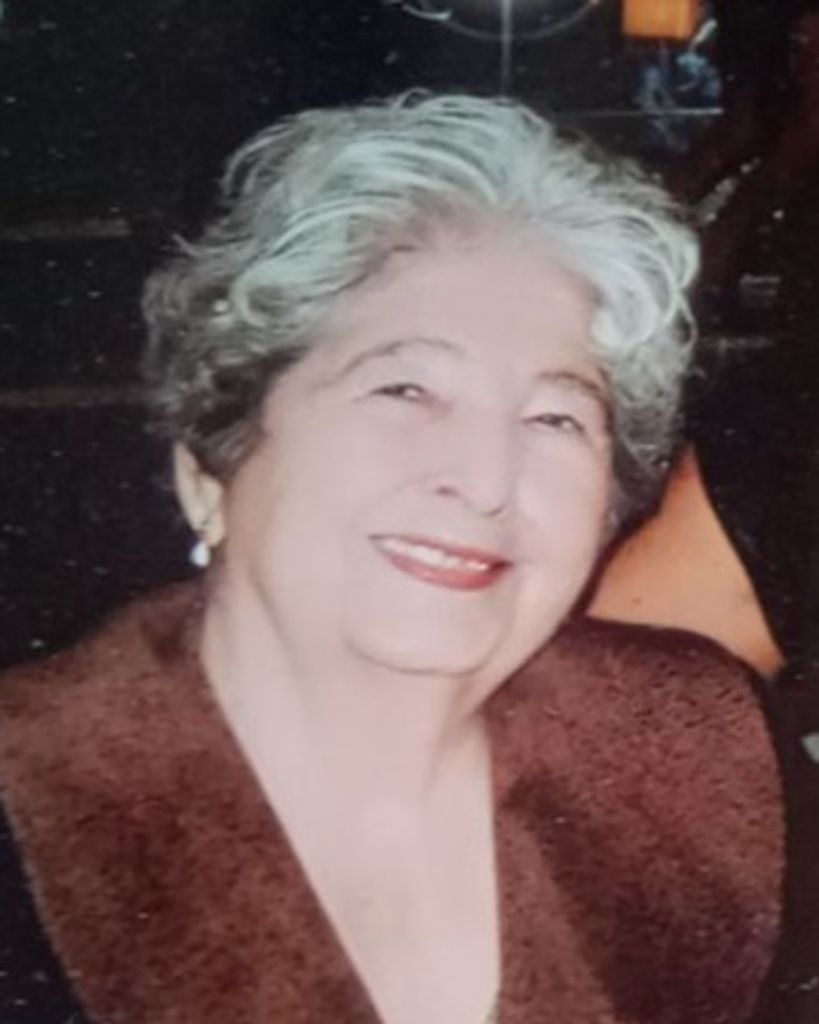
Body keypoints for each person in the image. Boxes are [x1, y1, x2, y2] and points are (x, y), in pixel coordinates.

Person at [0, 93, 783, 1024]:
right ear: (210, 467)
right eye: (404, 389)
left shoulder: (700, 761)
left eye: (555, 418)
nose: (485, 479)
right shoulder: (35, 794)